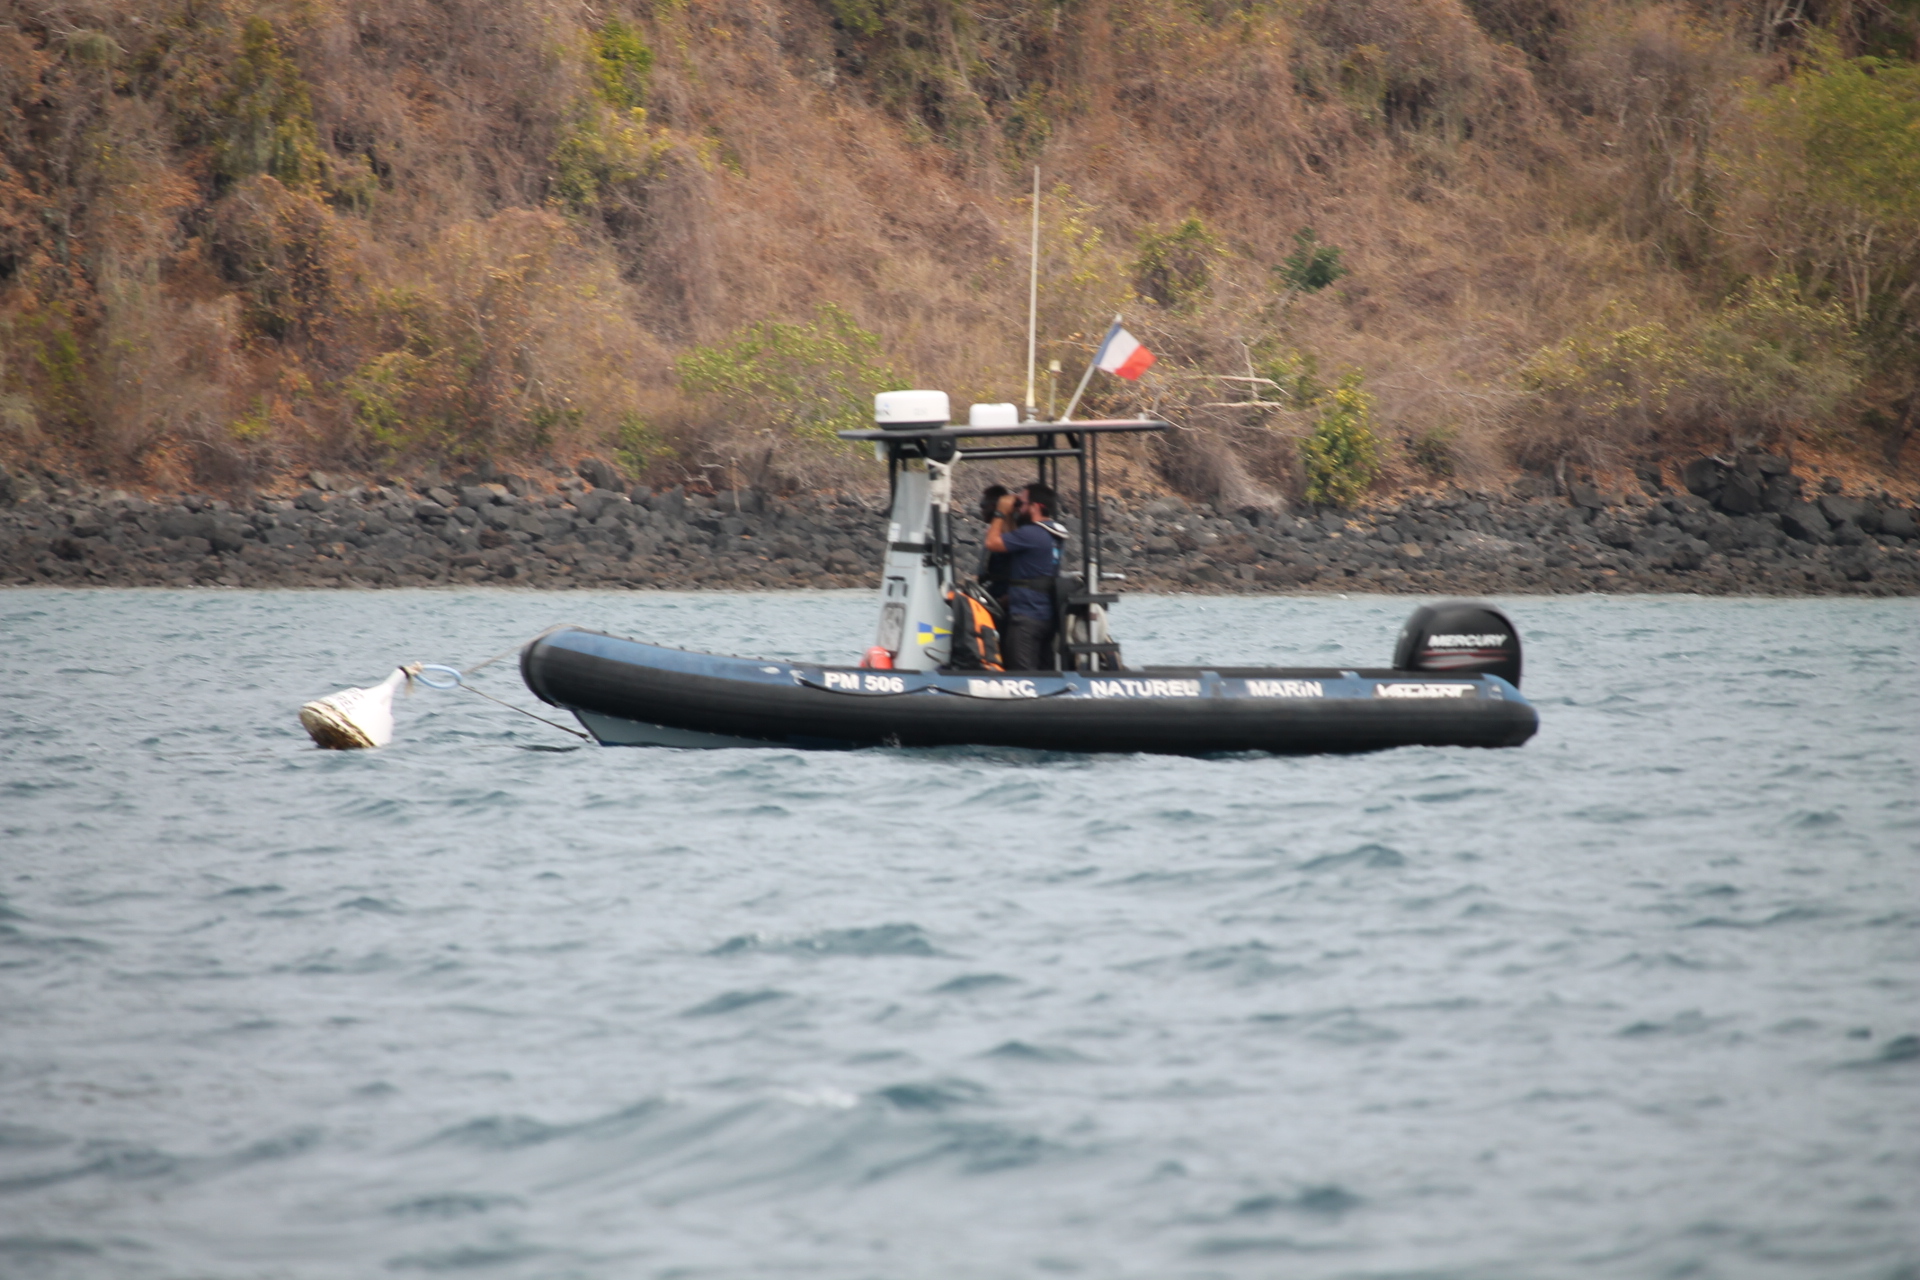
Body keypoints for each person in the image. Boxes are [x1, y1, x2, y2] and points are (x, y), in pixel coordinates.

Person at [986, 483, 1068, 671]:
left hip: (1026, 619)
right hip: (1044, 615)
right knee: (1043, 670)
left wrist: (1000, 512)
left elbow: (991, 542)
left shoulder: (1032, 534)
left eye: (1022, 503)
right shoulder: (1051, 532)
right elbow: (1033, 573)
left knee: (1022, 675)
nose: (1018, 508)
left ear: (1036, 507)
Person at [976, 484, 1013, 607]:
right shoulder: (993, 533)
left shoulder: (1009, 535)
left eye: (983, 505)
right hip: (994, 590)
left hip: (1005, 595)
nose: (982, 510)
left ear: (994, 506)